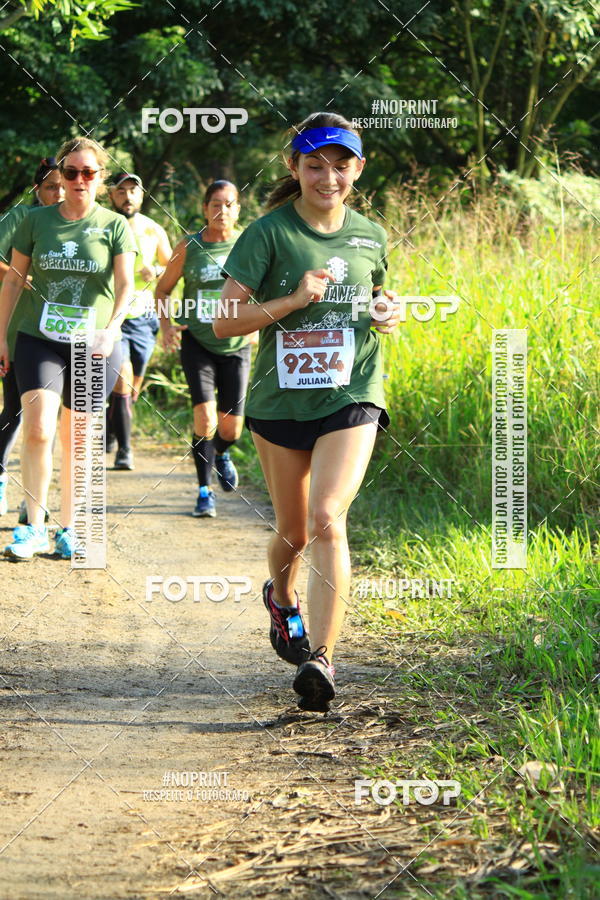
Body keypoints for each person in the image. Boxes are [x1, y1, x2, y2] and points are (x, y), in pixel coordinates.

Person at [214, 112, 401, 711]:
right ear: (294, 167)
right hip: (279, 401)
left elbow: (375, 298)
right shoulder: (266, 234)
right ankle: (282, 598)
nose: (328, 177)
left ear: (358, 168)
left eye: (341, 164)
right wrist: (293, 301)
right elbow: (225, 322)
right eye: (315, 164)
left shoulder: (371, 234)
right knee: (293, 533)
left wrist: (385, 311)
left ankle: (322, 660)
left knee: (327, 516)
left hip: (353, 394)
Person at [0, 136, 136, 561]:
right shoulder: (36, 221)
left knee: (76, 437)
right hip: (38, 338)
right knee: (38, 428)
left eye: (88, 172)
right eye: (71, 172)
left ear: (100, 177)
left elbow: (127, 285)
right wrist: (1, 337)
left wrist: (113, 328)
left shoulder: (115, 225)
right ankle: (34, 529)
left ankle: (71, 528)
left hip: (93, 343)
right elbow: (12, 281)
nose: (79, 179)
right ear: (61, 174)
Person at [157, 180, 253, 518]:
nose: (221, 211)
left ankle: (222, 452)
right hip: (197, 342)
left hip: (237, 344)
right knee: (205, 417)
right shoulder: (189, 247)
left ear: (238, 209)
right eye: (215, 204)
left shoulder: (249, 245)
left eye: (228, 204)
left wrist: (258, 323)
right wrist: (167, 326)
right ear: (204, 209)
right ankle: (204, 491)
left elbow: (266, 289)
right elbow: (162, 291)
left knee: (231, 429)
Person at [0, 157, 64, 518]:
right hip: (20, 329)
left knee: (49, 420)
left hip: (61, 335)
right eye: (50, 186)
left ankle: (32, 502)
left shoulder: (73, 221)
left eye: (61, 186)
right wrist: (21, 276)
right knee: (15, 411)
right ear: (37, 188)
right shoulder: (21, 217)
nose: (57, 193)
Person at [106, 172, 172, 470]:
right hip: (114, 315)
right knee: (122, 377)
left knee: (133, 386)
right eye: (121, 191)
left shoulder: (152, 229)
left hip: (145, 317)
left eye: (133, 190)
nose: (128, 196)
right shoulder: (103, 225)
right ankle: (125, 450)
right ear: (111, 195)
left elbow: (171, 267)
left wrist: (155, 271)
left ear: (142, 195)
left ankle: (112, 429)